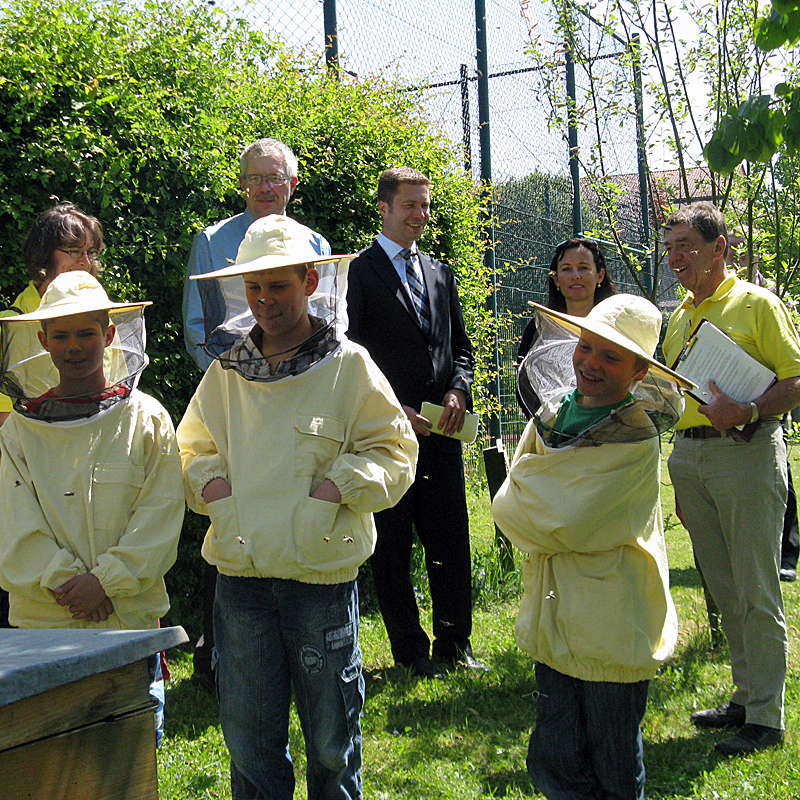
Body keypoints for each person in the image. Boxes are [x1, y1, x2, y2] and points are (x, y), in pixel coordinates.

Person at [177, 215, 417, 799]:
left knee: (333, 743)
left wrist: (335, 491)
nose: (265, 299)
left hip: (319, 579)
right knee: (248, 741)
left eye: (279, 285)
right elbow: (190, 449)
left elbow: (394, 451)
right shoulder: (227, 372)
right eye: (254, 287)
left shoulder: (349, 365)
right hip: (241, 579)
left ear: (310, 282)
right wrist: (217, 495)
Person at [492, 293, 692, 800]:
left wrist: (530, 496)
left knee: (614, 761)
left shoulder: (636, 437)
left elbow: (566, 519)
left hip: (612, 621)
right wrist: (529, 498)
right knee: (555, 755)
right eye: (586, 346)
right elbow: (509, 505)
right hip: (554, 614)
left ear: (640, 371)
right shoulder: (554, 412)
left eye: (611, 356)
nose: (590, 363)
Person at [0, 271, 184, 746]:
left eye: (85, 333)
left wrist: (106, 582)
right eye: (61, 336)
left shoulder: (148, 418)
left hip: (126, 623)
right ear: (42, 340)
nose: (74, 347)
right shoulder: (18, 432)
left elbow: (160, 517)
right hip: (45, 627)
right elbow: (13, 524)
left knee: (131, 761)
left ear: (109, 335)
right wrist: (70, 582)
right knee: (52, 764)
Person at [182, 137, 331, 690]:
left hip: (302, 409)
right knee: (230, 519)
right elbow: (198, 328)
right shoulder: (212, 241)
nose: (265, 187)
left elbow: (329, 327)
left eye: (275, 177)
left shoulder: (315, 244)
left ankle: (301, 655)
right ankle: (217, 655)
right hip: (234, 405)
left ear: (293, 184)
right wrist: (243, 381)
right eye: (255, 178)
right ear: (243, 184)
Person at [662, 202, 800, 756]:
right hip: (690, 458)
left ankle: (766, 718)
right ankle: (745, 698)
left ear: (719, 248)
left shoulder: (757, 304)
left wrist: (747, 410)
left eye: (686, 246)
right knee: (724, 587)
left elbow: (796, 379)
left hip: (745, 454)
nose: (675, 258)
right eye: (669, 248)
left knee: (756, 589)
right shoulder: (678, 316)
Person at [346, 166, 484, 678]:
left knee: (450, 540)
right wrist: (391, 409)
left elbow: (460, 349)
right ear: (384, 209)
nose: (420, 215)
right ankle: (409, 651)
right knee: (392, 545)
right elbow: (350, 356)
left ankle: (455, 643)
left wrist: (458, 390)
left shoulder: (440, 273)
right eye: (410, 205)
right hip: (387, 434)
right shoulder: (357, 273)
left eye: (425, 205)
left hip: (442, 433)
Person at [0, 202, 105, 628]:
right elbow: (5, 426)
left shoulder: (101, 315)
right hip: (32, 494)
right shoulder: (11, 325)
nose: (86, 262)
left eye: (91, 252)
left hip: (100, 489)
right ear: (44, 258)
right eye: (74, 251)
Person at [516, 237, 616, 417]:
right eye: (566, 269)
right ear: (556, 279)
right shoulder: (539, 327)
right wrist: (548, 422)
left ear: (600, 275)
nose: (575, 275)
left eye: (583, 268)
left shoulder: (616, 326)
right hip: (550, 426)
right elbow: (524, 379)